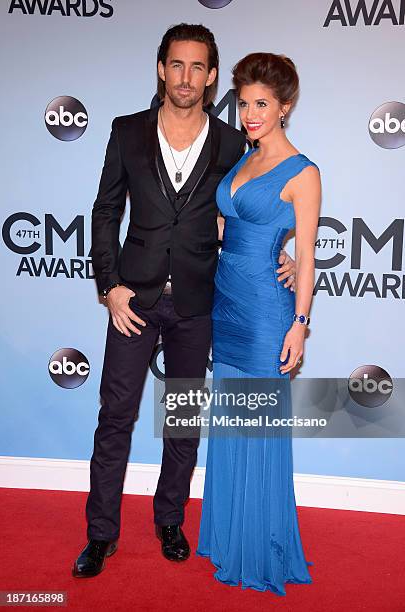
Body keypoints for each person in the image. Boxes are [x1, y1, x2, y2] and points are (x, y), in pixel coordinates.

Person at [72, 25, 296, 578]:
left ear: (212, 76)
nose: (186, 78)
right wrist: (109, 286)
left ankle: (169, 519)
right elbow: (104, 212)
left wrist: (280, 255)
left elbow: (252, 211)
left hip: (199, 302)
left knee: (183, 418)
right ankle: (101, 534)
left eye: (198, 68)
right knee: (115, 417)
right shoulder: (126, 132)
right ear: (160, 69)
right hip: (134, 300)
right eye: (177, 65)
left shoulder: (230, 142)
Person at [196, 52, 321, 595]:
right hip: (225, 305)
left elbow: (309, 256)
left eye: (262, 104)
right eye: (244, 102)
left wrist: (299, 323)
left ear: (284, 107)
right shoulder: (240, 162)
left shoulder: (303, 172)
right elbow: (230, 228)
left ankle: (260, 546)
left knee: (260, 431)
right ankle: (226, 535)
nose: (249, 113)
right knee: (228, 424)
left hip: (268, 314)